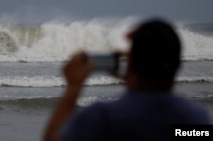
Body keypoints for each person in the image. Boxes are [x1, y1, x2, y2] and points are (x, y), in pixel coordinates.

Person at [43, 18, 211, 141]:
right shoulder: (195, 117)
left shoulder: (102, 118)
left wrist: (73, 88)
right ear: (177, 66)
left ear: (131, 64)